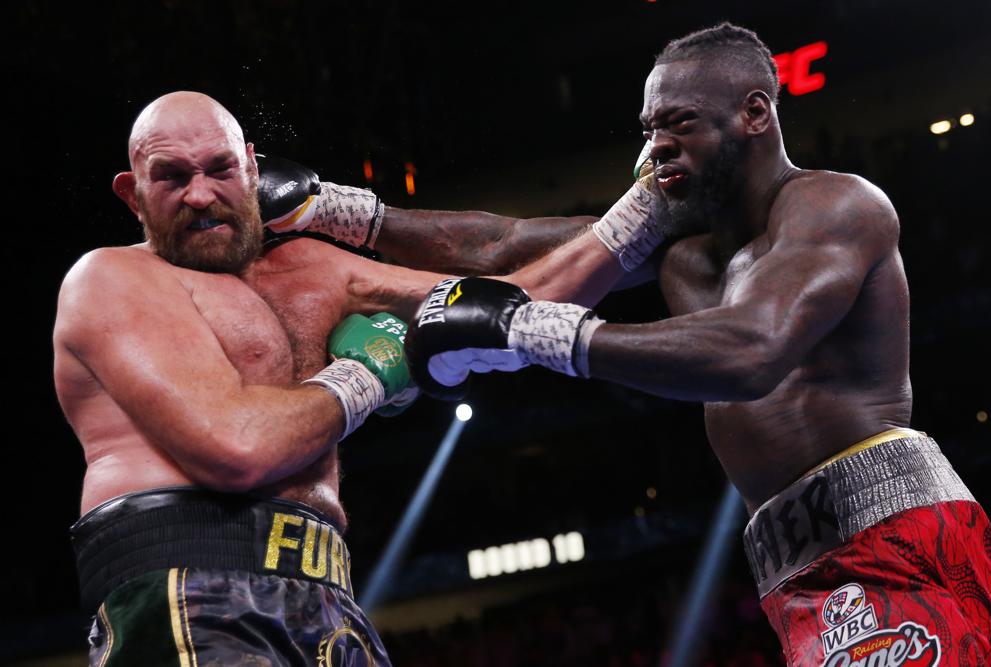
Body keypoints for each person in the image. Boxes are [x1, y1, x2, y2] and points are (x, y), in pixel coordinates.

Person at [397, 23, 991, 666]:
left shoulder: (833, 203)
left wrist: (530, 329)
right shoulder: (681, 253)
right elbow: (502, 245)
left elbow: (753, 350)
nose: (658, 145)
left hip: (891, 536)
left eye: (680, 123)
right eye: (650, 127)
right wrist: (338, 211)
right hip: (793, 577)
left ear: (754, 113)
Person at [53, 91, 623, 666]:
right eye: (171, 177)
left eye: (220, 169)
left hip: (328, 595)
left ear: (251, 168)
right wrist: (372, 370)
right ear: (133, 194)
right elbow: (240, 450)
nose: (200, 194)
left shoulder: (312, 269)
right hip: (185, 585)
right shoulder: (112, 278)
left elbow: (513, 306)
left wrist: (650, 212)